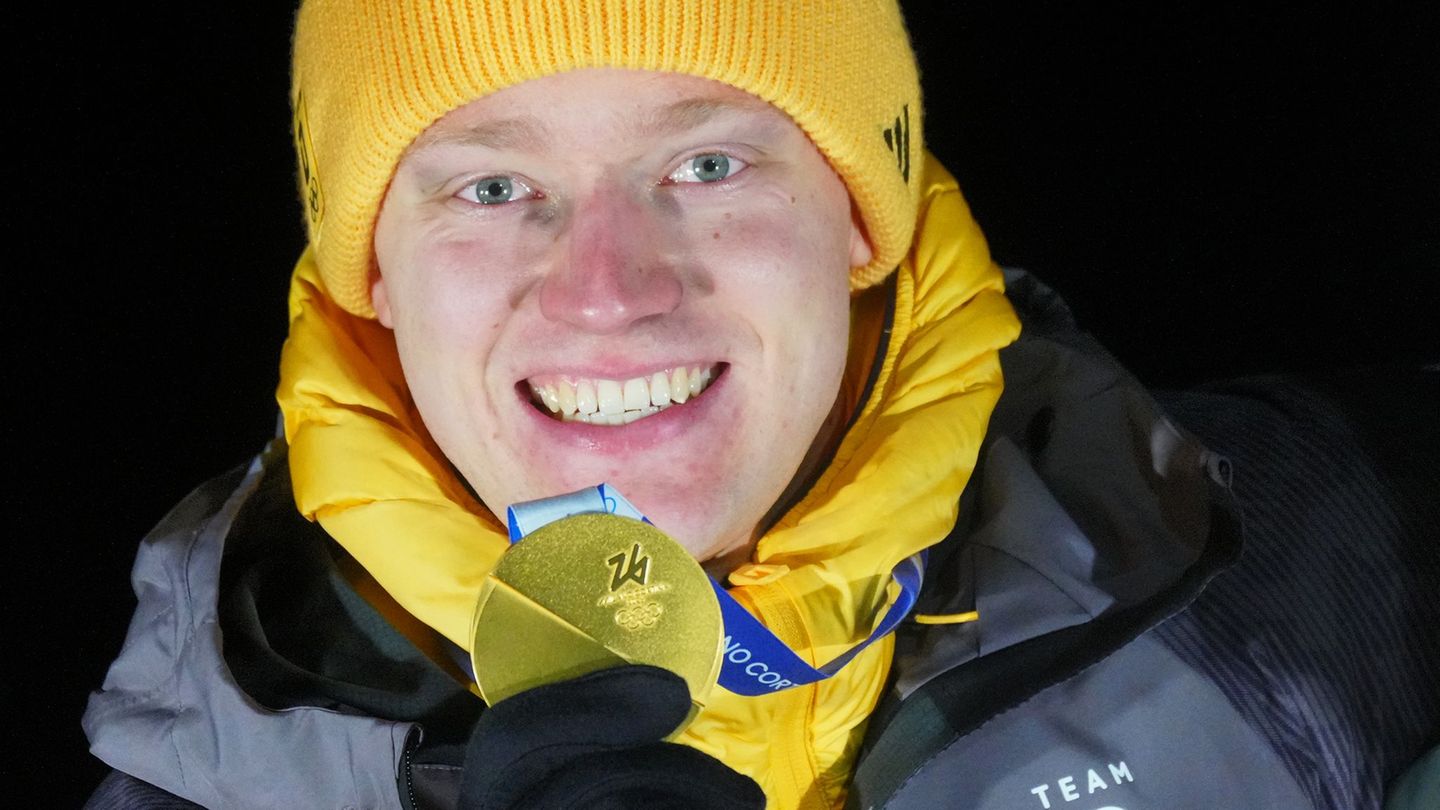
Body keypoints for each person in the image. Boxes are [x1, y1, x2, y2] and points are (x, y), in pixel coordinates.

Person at [82, 2, 1438, 808]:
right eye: (494, 187)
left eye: (710, 161)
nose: (610, 289)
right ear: (370, 267)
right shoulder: (212, 771)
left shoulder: (1286, 561)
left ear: (861, 210)